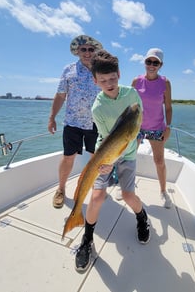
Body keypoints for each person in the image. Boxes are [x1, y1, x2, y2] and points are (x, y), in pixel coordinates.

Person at [75, 49, 150, 273]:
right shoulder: (97, 107)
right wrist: (106, 163)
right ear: (95, 81)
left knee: (128, 195)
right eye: (103, 80)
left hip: (127, 154)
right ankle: (87, 240)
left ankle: (142, 217)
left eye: (112, 78)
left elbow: (135, 127)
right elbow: (108, 139)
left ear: (119, 74)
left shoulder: (131, 94)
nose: (109, 83)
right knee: (96, 197)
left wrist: (131, 144)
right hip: (106, 152)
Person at [48, 35, 103, 208]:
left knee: (97, 158)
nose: (87, 53)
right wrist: (52, 117)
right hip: (73, 123)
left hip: (96, 122)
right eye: (83, 49)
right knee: (68, 157)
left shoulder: (101, 69)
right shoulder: (68, 70)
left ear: (95, 51)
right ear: (77, 51)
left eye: (90, 49)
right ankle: (61, 189)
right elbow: (60, 95)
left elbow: (110, 92)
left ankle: (97, 186)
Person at [131, 48, 173, 208]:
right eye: (149, 61)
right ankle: (127, 187)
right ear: (145, 62)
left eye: (155, 62)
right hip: (137, 127)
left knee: (159, 160)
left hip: (157, 127)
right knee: (129, 158)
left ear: (160, 65)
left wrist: (168, 126)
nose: (152, 65)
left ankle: (163, 191)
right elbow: (130, 105)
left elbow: (168, 107)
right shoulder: (136, 81)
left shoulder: (165, 83)